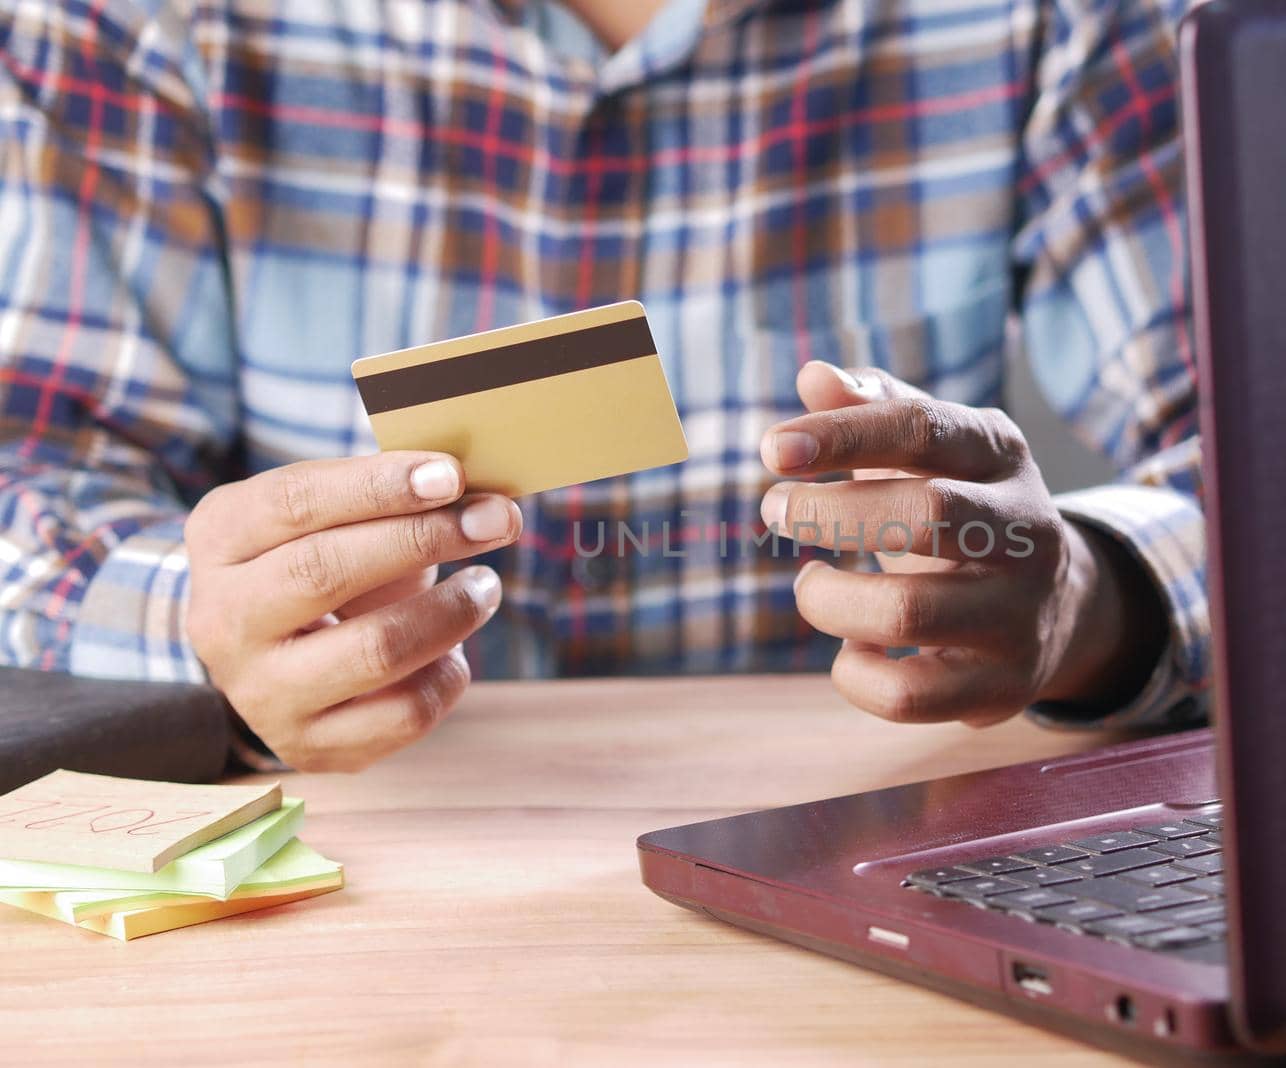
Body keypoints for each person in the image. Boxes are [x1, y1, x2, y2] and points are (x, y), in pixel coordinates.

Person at [0, 0, 1206, 772]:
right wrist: (209, 628)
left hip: (866, 838)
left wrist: (1092, 601)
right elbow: (25, 480)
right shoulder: (136, 21)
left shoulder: (1062, 20)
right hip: (346, 869)